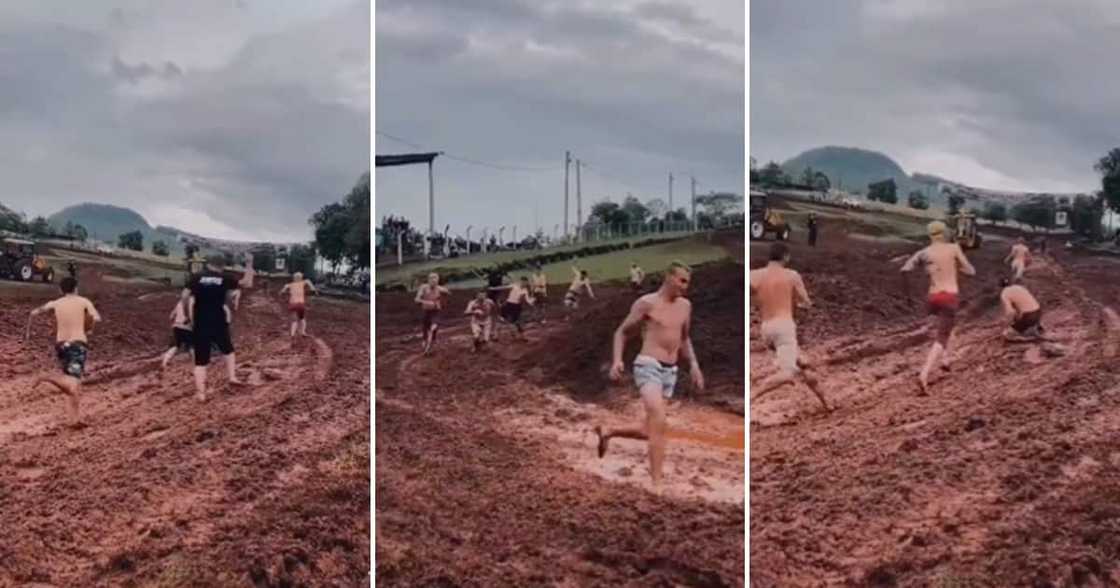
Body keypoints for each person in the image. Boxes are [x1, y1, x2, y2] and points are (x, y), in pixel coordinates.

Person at [593, 261, 704, 493]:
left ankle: (609, 431)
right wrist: (617, 360)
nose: (685, 286)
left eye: (687, 282)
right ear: (668, 277)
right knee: (660, 421)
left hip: (669, 372)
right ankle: (656, 484)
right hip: (647, 366)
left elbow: (685, 338)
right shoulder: (646, 303)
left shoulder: (686, 306)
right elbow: (621, 332)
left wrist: (693, 364)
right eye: (681, 280)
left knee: (649, 429)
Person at [748, 242, 830, 411]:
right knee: (788, 373)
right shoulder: (792, 275)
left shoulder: (754, 275)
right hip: (784, 327)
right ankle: (752, 395)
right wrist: (798, 304)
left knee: (804, 364)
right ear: (785, 256)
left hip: (766, 329)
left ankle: (826, 403)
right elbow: (806, 302)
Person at [901, 220, 976, 394]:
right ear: (944, 234)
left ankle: (946, 360)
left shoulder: (924, 252)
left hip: (932, 297)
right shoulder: (953, 248)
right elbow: (971, 271)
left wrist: (907, 295)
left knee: (948, 327)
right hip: (949, 297)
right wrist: (956, 266)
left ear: (930, 235)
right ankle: (924, 374)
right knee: (942, 337)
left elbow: (905, 269)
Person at [29, 277, 100, 428]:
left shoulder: (56, 303)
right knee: (72, 383)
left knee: (73, 383)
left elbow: (36, 312)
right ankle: (46, 377)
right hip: (77, 344)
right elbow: (95, 317)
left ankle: (73, 420)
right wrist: (90, 327)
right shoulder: (84, 301)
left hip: (61, 345)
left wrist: (35, 314)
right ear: (76, 288)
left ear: (61, 290)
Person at [188, 257, 245, 401]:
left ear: (208, 265)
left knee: (200, 361)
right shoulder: (225, 278)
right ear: (222, 266)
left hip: (201, 322)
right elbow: (247, 283)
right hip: (218, 320)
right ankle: (232, 376)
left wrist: (190, 318)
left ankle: (201, 393)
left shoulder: (196, 277)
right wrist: (250, 263)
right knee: (228, 350)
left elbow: (185, 296)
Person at [415, 272, 450, 354]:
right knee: (425, 327)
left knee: (434, 326)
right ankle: (425, 340)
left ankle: (432, 342)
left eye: (436, 279)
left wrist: (444, 296)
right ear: (428, 280)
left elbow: (448, 294)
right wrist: (427, 302)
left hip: (436, 312)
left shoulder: (440, 289)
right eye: (432, 279)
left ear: (438, 281)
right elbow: (416, 300)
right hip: (426, 311)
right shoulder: (423, 287)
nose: (434, 281)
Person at [161, 288, 195, 368]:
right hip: (188, 327)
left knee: (175, 345)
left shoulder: (180, 302)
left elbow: (171, 316)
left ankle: (165, 362)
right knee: (191, 346)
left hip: (177, 326)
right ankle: (196, 363)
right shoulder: (195, 302)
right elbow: (193, 315)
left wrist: (175, 322)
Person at [278, 272, 319, 337]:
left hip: (293, 304)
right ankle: (303, 332)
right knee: (302, 318)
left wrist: (282, 292)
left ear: (294, 278)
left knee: (294, 320)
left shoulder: (290, 284)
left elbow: (284, 288)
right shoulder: (303, 283)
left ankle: (292, 334)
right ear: (301, 278)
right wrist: (313, 289)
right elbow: (308, 281)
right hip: (301, 304)